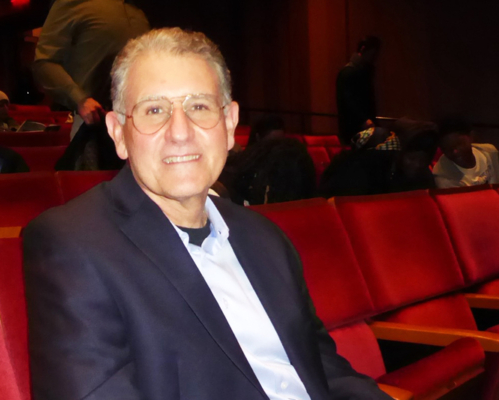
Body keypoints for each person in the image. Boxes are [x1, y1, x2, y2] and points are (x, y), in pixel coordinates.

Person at [23, 27, 391, 400]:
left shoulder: (266, 237)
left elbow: (323, 369)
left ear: (229, 124)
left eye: (199, 106)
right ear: (119, 133)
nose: (180, 132)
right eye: (154, 110)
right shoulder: (72, 244)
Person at [32, 0, 149, 139]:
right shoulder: (74, 4)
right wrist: (80, 100)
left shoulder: (138, 9)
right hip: (94, 125)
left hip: (140, 122)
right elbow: (45, 62)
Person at [319, 118, 437, 197]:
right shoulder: (361, 168)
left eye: (423, 160)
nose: (417, 165)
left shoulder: (423, 175)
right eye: (411, 159)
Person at [336, 36, 381, 145]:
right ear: (364, 50)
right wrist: (364, 120)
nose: (374, 57)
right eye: (372, 54)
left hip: (361, 126)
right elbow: (347, 101)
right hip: (355, 128)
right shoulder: (350, 72)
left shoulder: (359, 71)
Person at [433, 117, 499, 188]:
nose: (455, 151)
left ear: (471, 137)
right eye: (447, 148)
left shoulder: (490, 152)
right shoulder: (443, 176)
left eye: (459, 144)